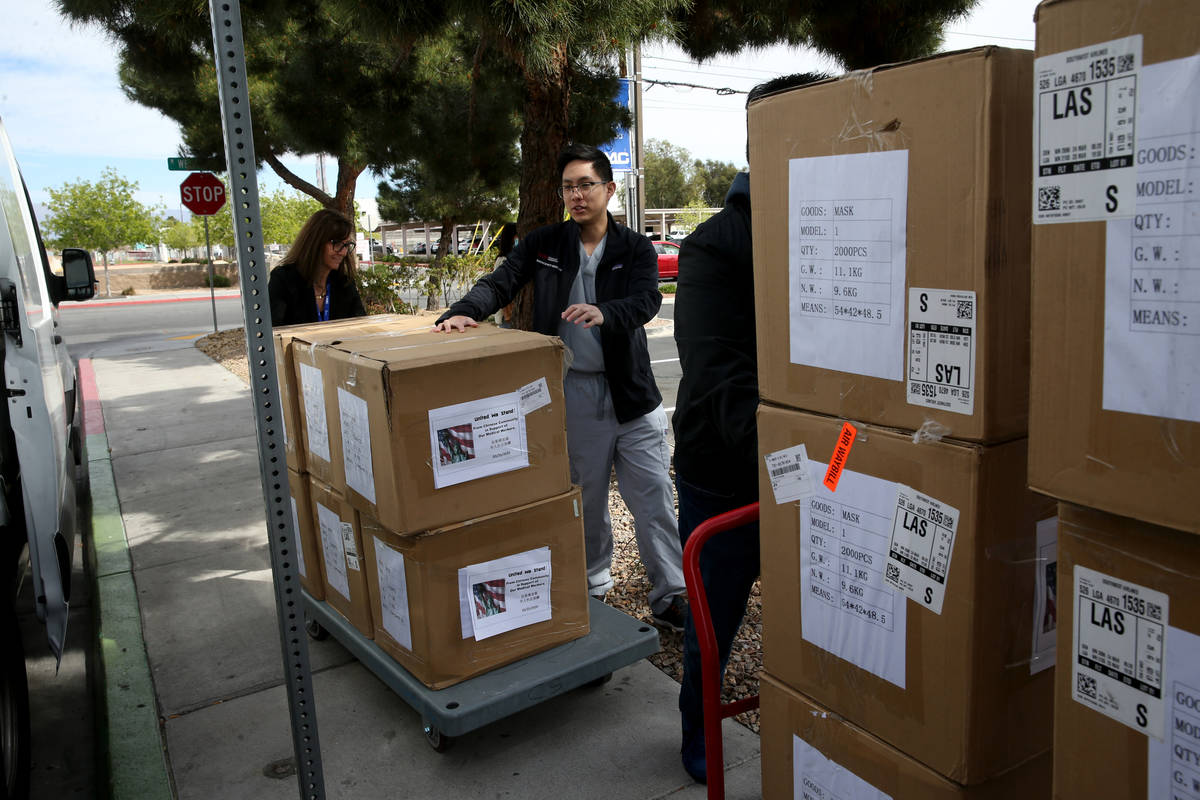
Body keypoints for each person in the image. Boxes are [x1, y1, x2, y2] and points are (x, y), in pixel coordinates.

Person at [434, 143, 688, 631]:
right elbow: (503, 279)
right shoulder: (546, 243)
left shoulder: (634, 247)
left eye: (586, 185)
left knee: (653, 498)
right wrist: (464, 310)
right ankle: (594, 587)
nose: (576, 195)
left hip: (633, 397)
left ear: (609, 190)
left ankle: (670, 593)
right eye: (568, 186)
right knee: (586, 499)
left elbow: (647, 301)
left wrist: (606, 313)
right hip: (575, 393)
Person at [672, 73, 826, 784]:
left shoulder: (846, 224)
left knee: (817, 624)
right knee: (717, 622)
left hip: (819, 470)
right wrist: (801, 461)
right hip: (728, 474)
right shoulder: (718, 246)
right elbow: (717, 377)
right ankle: (698, 729)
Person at [268, 208, 367, 326]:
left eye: (346, 245)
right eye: (337, 243)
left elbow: (361, 325)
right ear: (316, 242)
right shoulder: (284, 279)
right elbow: (274, 331)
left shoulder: (344, 283)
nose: (343, 252)